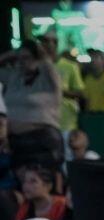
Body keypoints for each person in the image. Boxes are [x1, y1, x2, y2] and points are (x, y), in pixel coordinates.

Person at [0, 40, 64, 171]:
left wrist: (39, 53)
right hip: (15, 142)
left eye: (27, 58)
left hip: (41, 141)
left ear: (38, 59)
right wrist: (9, 55)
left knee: (39, 184)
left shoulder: (47, 79)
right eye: (19, 58)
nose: (22, 62)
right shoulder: (15, 77)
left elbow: (47, 63)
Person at [39, 31, 83, 144]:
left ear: (56, 44)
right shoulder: (36, 66)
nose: (48, 44)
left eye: (51, 41)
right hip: (42, 121)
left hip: (65, 122)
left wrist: (58, 91)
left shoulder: (70, 66)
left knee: (67, 156)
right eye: (44, 41)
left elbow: (79, 93)